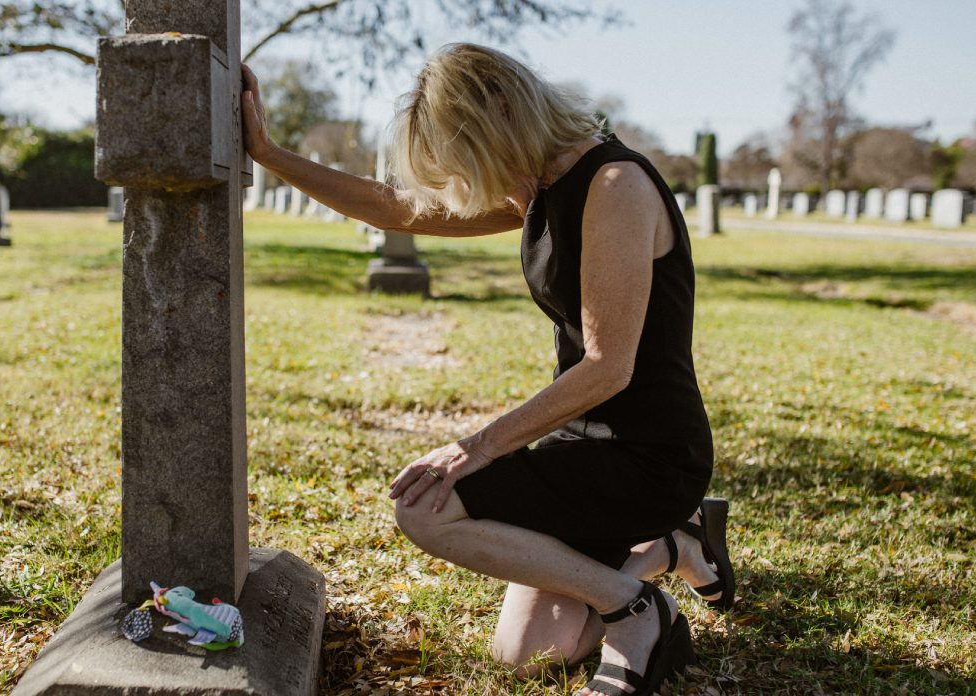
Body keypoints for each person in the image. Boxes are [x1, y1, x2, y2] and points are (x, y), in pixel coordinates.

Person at [239, 43, 734, 696]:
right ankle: (671, 549)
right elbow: (398, 210)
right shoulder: (534, 184)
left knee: (428, 509)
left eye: (470, 163)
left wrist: (475, 448)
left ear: (504, 112)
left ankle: (638, 609)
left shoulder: (615, 186)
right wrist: (270, 156)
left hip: (649, 456)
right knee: (526, 654)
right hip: (578, 446)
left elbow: (609, 368)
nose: (476, 188)